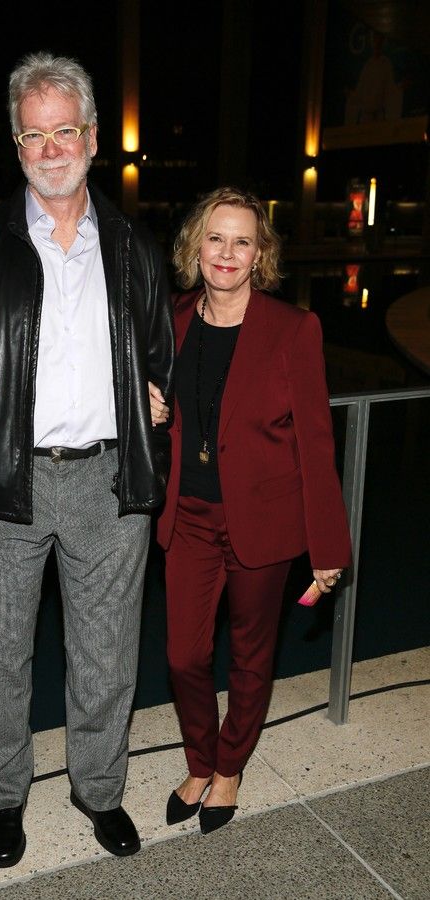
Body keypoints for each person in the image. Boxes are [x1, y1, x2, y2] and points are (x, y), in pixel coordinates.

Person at [0, 51, 174, 867]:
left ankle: (99, 792)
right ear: (17, 148)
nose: (52, 148)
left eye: (66, 131)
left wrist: (150, 407)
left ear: (93, 139)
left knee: (106, 656)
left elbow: (157, 353)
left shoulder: (132, 246)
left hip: (107, 480)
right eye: (35, 135)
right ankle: (2, 800)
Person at [149, 186, 351, 835]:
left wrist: (327, 550)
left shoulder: (293, 329)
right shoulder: (173, 317)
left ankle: (229, 767)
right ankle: (199, 757)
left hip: (263, 523)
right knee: (183, 655)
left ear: (259, 253)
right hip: (190, 518)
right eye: (215, 238)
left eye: (242, 240)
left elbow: (318, 445)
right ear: (195, 246)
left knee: (250, 656)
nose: (227, 253)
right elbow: (160, 404)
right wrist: (152, 410)